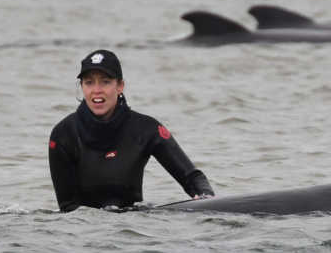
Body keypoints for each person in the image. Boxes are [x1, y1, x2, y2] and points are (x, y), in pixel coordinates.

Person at [49, 49, 214, 211]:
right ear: (82, 87)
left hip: (133, 228)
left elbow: (192, 178)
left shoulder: (146, 128)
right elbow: (67, 208)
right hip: (85, 233)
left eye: (105, 81)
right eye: (89, 82)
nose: (96, 90)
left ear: (120, 86)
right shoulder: (63, 135)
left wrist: (206, 197)